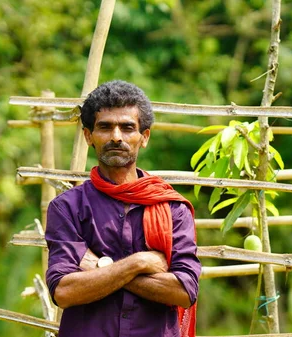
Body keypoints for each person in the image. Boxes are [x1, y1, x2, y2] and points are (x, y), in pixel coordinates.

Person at [45, 80, 201, 337]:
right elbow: (64, 292)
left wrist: (100, 267)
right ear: (88, 136)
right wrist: (140, 262)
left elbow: (184, 292)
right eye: (105, 127)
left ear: (144, 137)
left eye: (127, 127)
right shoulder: (67, 208)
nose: (116, 136)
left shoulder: (173, 208)